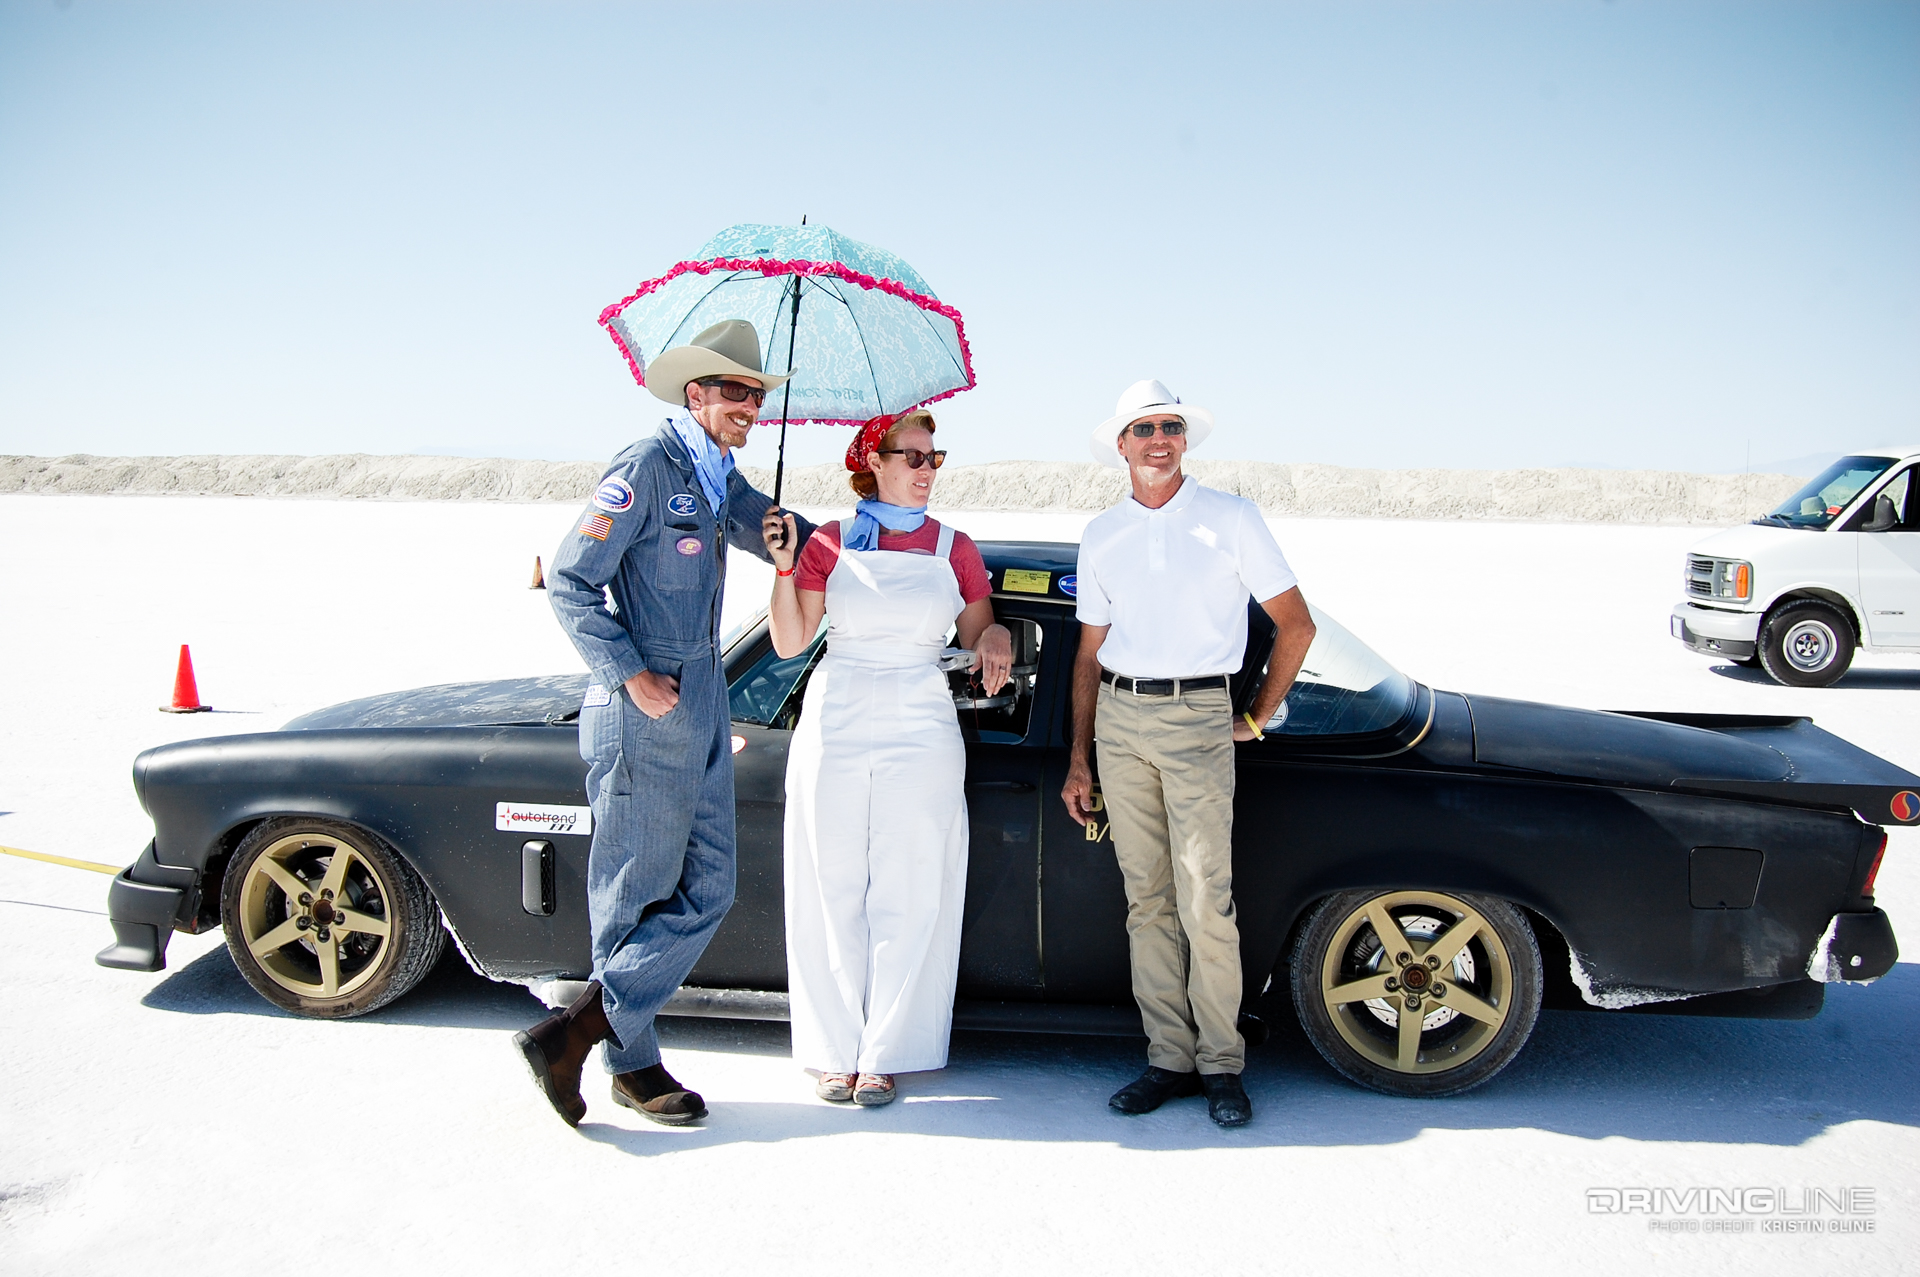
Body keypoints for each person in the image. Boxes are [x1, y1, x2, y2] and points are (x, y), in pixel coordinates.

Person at [516, 319, 815, 1128]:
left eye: (757, 393)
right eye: (735, 391)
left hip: (706, 703)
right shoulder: (647, 467)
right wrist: (628, 670)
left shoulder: (720, 477)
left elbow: (776, 533)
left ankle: (576, 1030)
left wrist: (820, 539)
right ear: (696, 392)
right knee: (635, 896)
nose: (749, 405)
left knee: (711, 885)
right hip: (645, 709)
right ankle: (630, 1063)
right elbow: (571, 581)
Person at [1060, 379, 1315, 1128]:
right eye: (1143, 429)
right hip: (1119, 721)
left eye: (1170, 427)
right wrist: (1080, 757)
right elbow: (1088, 654)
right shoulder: (1102, 533)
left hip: (1200, 711)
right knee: (1147, 900)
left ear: (1184, 439)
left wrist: (1256, 716)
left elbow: (1296, 625)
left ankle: (1221, 1063)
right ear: (1121, 445)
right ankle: (1168, 1057)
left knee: (1206, 896)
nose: (1159, 440)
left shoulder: (1231, 518)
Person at [762, 410, 1013, 1106]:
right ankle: (833, 1051)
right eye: (914, 457)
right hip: (836, 710)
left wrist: (995, 637)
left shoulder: (956, 547)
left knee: (913, 882)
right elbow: (790, 641)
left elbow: (980, 629)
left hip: (921, 714)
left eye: (935, 458)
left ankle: (886, 1052)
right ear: (874, 461)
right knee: (829, 881)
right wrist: (783, 566)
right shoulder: (828, 541)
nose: (928, 470)